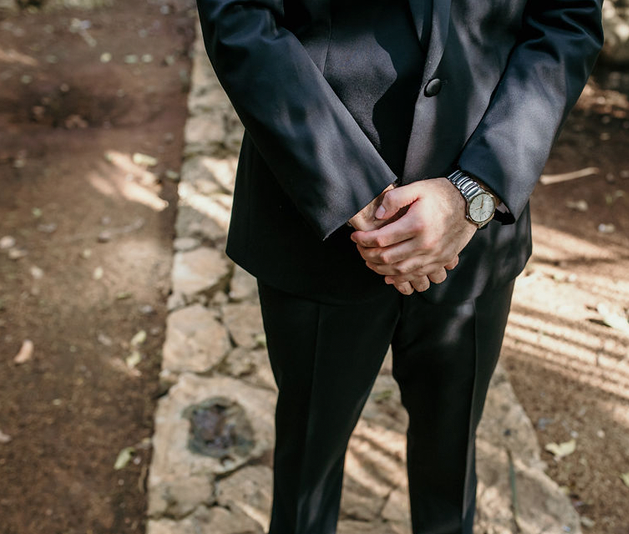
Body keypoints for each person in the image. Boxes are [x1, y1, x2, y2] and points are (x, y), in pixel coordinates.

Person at [195, 0, 603, 532]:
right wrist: (351, 189)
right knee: (307, 474)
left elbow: (566, 20)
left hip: (473, 230)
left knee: (451, 460)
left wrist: (474, 191)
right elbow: (240, 16)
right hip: (316, 223)